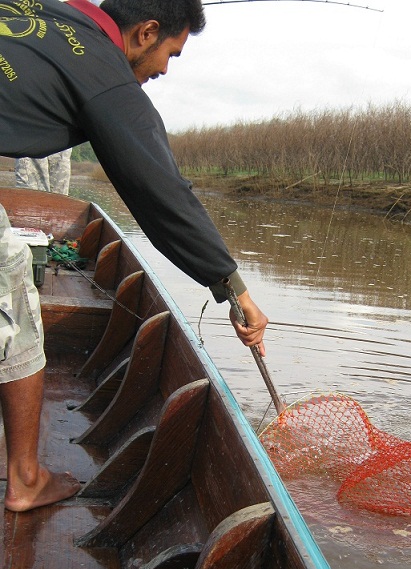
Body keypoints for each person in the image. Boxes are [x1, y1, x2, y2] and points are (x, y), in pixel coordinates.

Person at [0, 0, 268, 511]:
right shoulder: (106, 75)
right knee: (14, 294)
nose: (165, 69)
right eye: (172, 52)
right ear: (145, 33)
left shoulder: (52, 14)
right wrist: (233, 287)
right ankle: (25, 479)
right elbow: (160, 191)